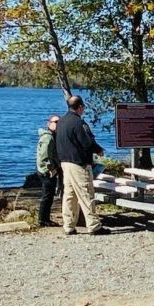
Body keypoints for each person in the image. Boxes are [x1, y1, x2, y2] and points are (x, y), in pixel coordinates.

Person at [55, 95, 103, 235]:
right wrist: (98, 150)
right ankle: (94, 225)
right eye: (83, 108)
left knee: (69, 195)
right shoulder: (78, 123)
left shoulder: (61, 122)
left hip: (65, 163)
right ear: (80, 107)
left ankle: (68, 225)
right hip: (78, 164)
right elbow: (87, 143)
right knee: (86, 193)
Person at [36, 113, 61, 227]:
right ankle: (43, 220)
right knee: (47, 196)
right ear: (49, 123)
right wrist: (50, 169)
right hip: (47, 171)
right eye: (55, 122)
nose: (57, 124)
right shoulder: (48, 137)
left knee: (49, 195)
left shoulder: (52, 136)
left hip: (50, 169)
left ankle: (45, 218)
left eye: (59, 122)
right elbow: (44, 156)